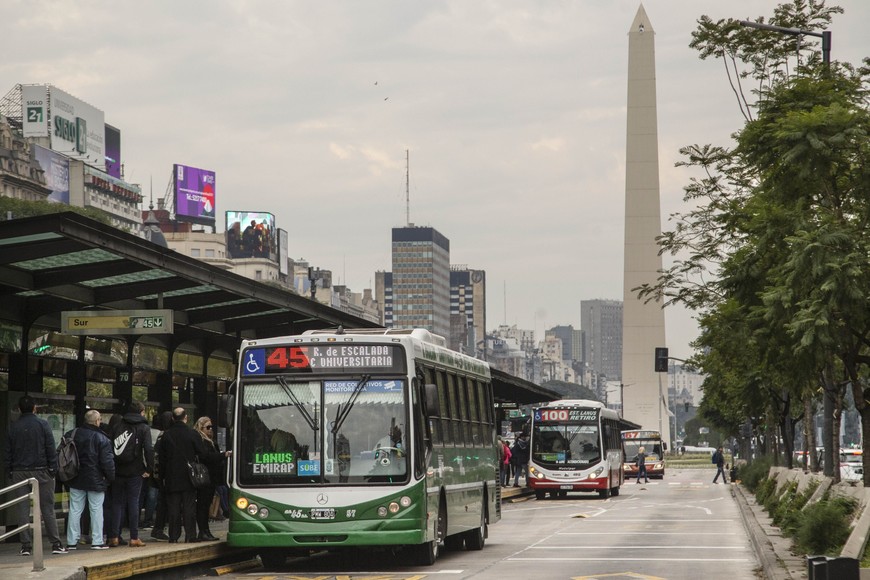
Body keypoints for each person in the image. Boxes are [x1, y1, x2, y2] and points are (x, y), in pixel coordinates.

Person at [5, 395, 68, 555]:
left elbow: (8, 452)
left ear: (19, 409)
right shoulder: (43, 424)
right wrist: (53, 470)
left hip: (19, 471)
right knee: (47, 508)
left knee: (23, 509)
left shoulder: (13, 427)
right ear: (35, 408)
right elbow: (50, 448)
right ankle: (55, 543)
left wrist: (9, 471)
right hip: (42, 471)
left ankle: (25, 545)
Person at [156, 408, 208, 543]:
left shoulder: (166, 435)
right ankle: (190, 535)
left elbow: (162, 459)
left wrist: (161, 478)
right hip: (188, 476)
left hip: (171, 476)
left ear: (173, 418)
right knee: (189, 507)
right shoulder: (192, 433)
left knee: (173, 508)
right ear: (186, 418)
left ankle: (173, 535)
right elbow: (202, 453)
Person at [65, 410, 114, 550]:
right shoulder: (102, 438)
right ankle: (97, 541)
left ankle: (71, 541)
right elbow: (107, 462)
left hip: (75, 477)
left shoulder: (72, 434)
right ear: (98, 421)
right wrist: (110, 478)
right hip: (96, 478)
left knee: (75, 509)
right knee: (96, 509)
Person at [107, 401, 154, 548]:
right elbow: (148, 449)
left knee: (117, 503)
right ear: (141, 412)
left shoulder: (117, 426)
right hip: (135, 471)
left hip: (117, 470)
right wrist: (149, 468)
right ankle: (134, 538)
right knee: (133, 502)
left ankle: (114, 536)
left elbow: (109, 447)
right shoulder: (144, 428)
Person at [193, 416, 230, 541]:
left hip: (212, 477)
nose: (210, 429)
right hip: (205, 477)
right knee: (203, 505)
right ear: (201, 427)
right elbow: (206, 456)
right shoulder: (201, 440)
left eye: (211, 427)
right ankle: (203, 531)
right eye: (208, 427)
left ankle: (206, 531)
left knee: (207, 503)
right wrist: (222, 455)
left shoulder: (210, 440)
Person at [149, 411, 174, 542]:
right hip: (166, 475)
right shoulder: (168, 436)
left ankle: (159, 528)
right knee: (164, 502)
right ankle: (159, 528)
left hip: (159, 474)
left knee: (162, 502)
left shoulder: (161, 435)